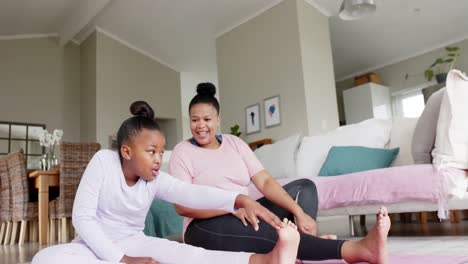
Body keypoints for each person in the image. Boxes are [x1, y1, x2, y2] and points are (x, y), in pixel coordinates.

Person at [32, 101, 302, 264]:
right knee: (44, 259)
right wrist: (123, 260)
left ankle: (266, 260)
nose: (159, 159)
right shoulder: (103, 161)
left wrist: (238, 199)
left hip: (135, 241)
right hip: (92, 247)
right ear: (126, 152)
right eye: (151, 152)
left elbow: (191, 193)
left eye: (161, 152)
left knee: (191, 255)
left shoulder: (155, 180)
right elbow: (82, 219)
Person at [169, 83, 391, 263]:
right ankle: (358, 250)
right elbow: (181, 206)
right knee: (274, 233)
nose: (201, 126)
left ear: (217, 120)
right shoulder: (182, 152)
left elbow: (264, 181)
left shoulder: (234, 143)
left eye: (207, 119)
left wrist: (298, 211)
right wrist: (232, 205)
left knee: (304, 187)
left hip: (246, 210)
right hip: (205, 226)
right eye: (195, 120)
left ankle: (300, 246)